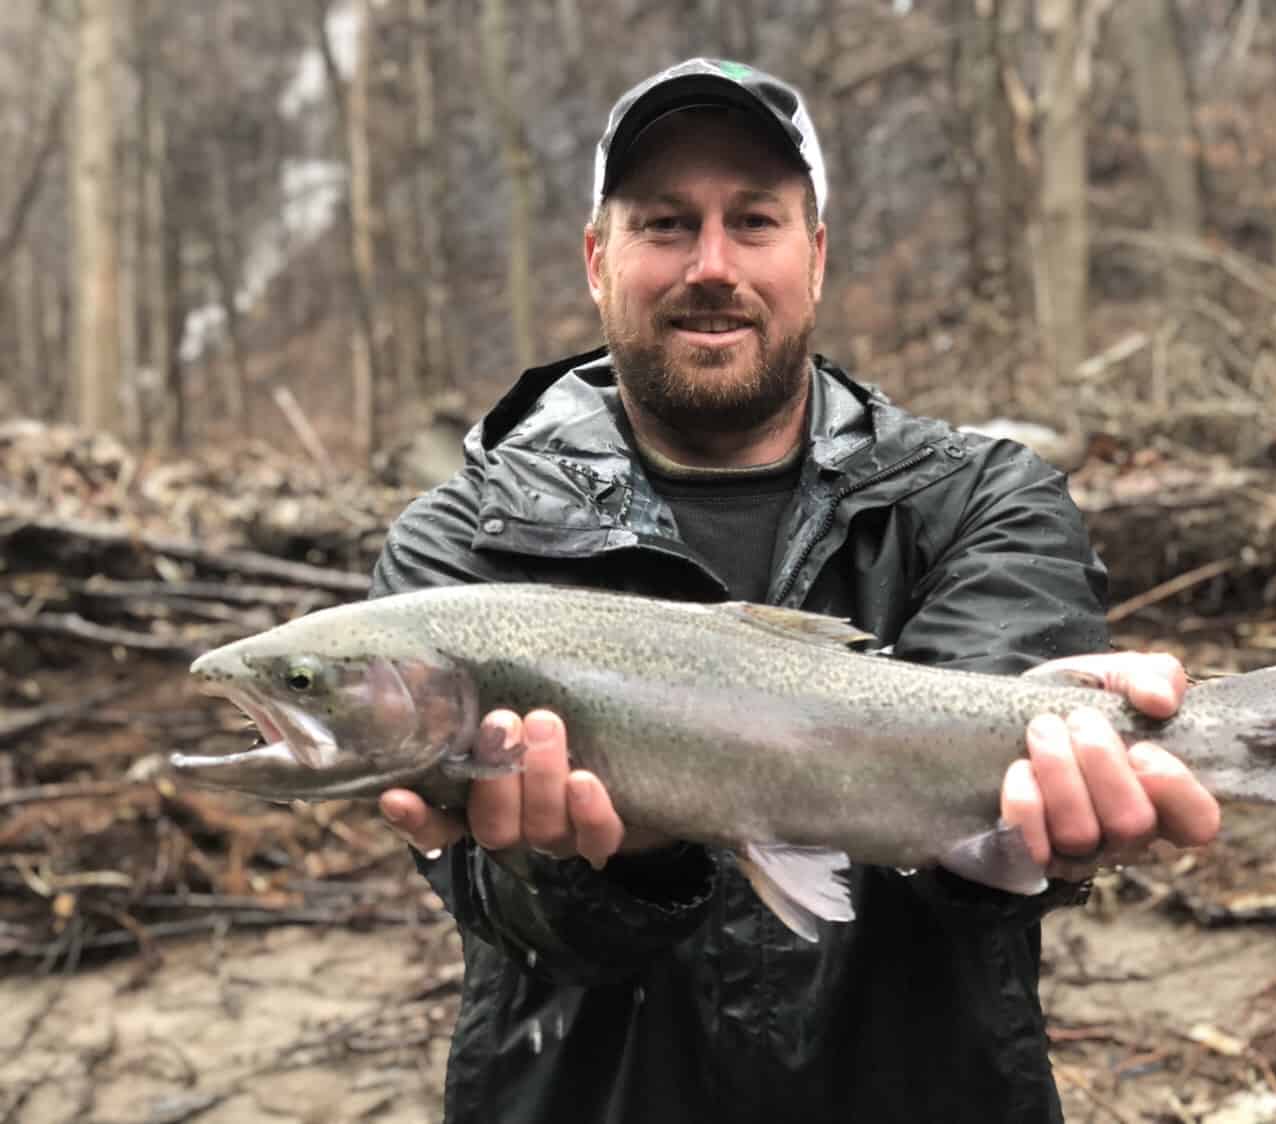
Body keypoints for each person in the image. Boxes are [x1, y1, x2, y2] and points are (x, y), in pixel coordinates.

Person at [371, 58, 1220, 1124]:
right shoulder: (461, 548)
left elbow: (972, 779)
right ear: (598, 260)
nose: (711, 265)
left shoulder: (983, 499)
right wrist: (608, 861)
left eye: (756, 221)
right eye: (666, 224)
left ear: (815, 258)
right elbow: (500, 907)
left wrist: (1035, 821)